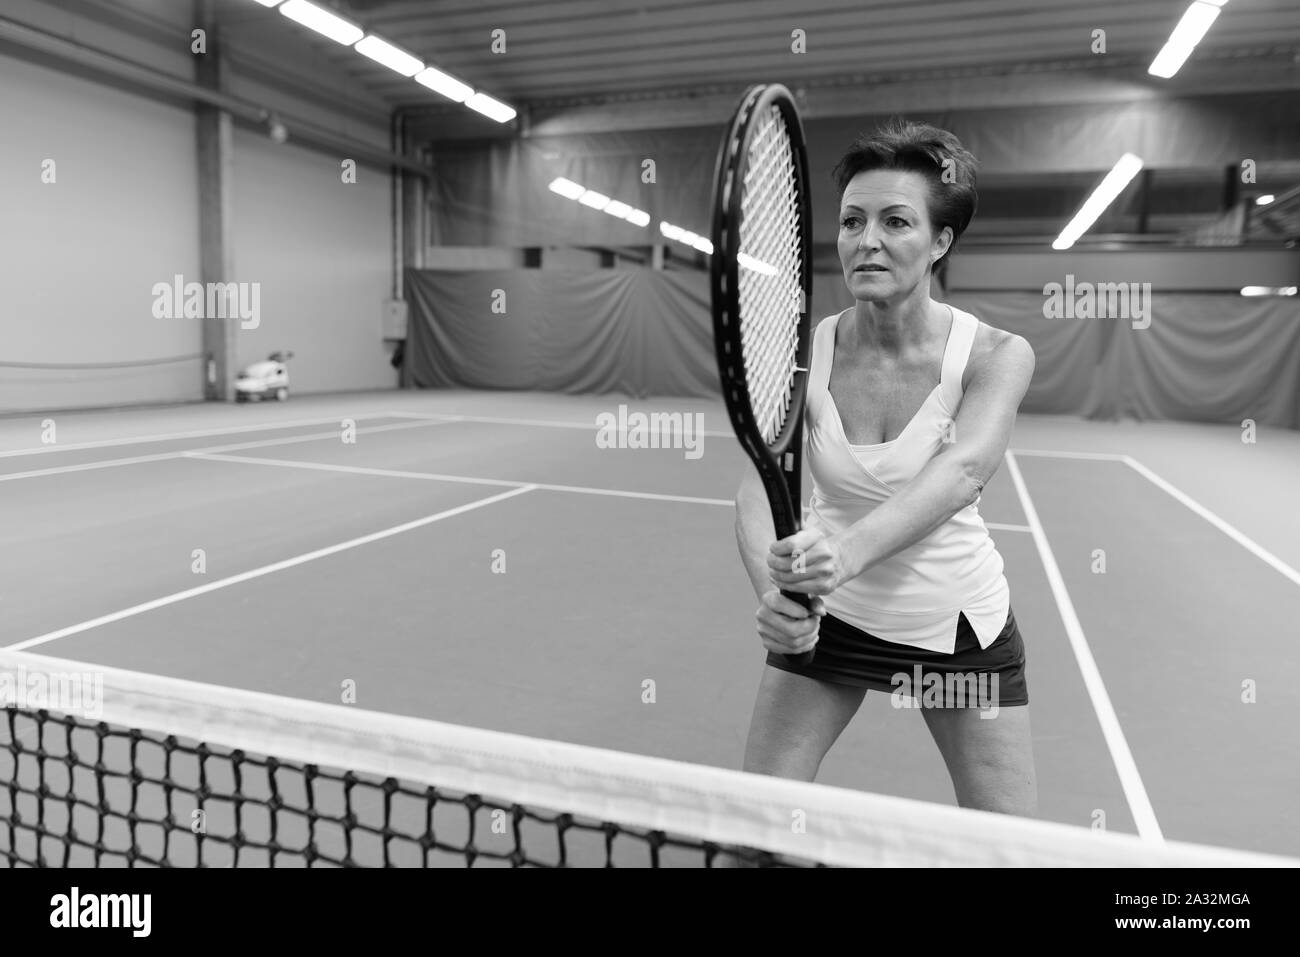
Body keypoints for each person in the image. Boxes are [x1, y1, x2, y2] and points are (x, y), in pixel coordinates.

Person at [733, 119, 1038, 815]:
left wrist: (839, 553)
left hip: (954, 630)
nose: (866, 240)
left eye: (896, 221)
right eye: (851, 221)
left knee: (1009, 847)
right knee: (757, 827)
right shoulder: (803, 350)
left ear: (940, 242)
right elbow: (756, 482)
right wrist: (776, 596)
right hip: (829, 619)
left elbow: (963, 470)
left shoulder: (997, 353)